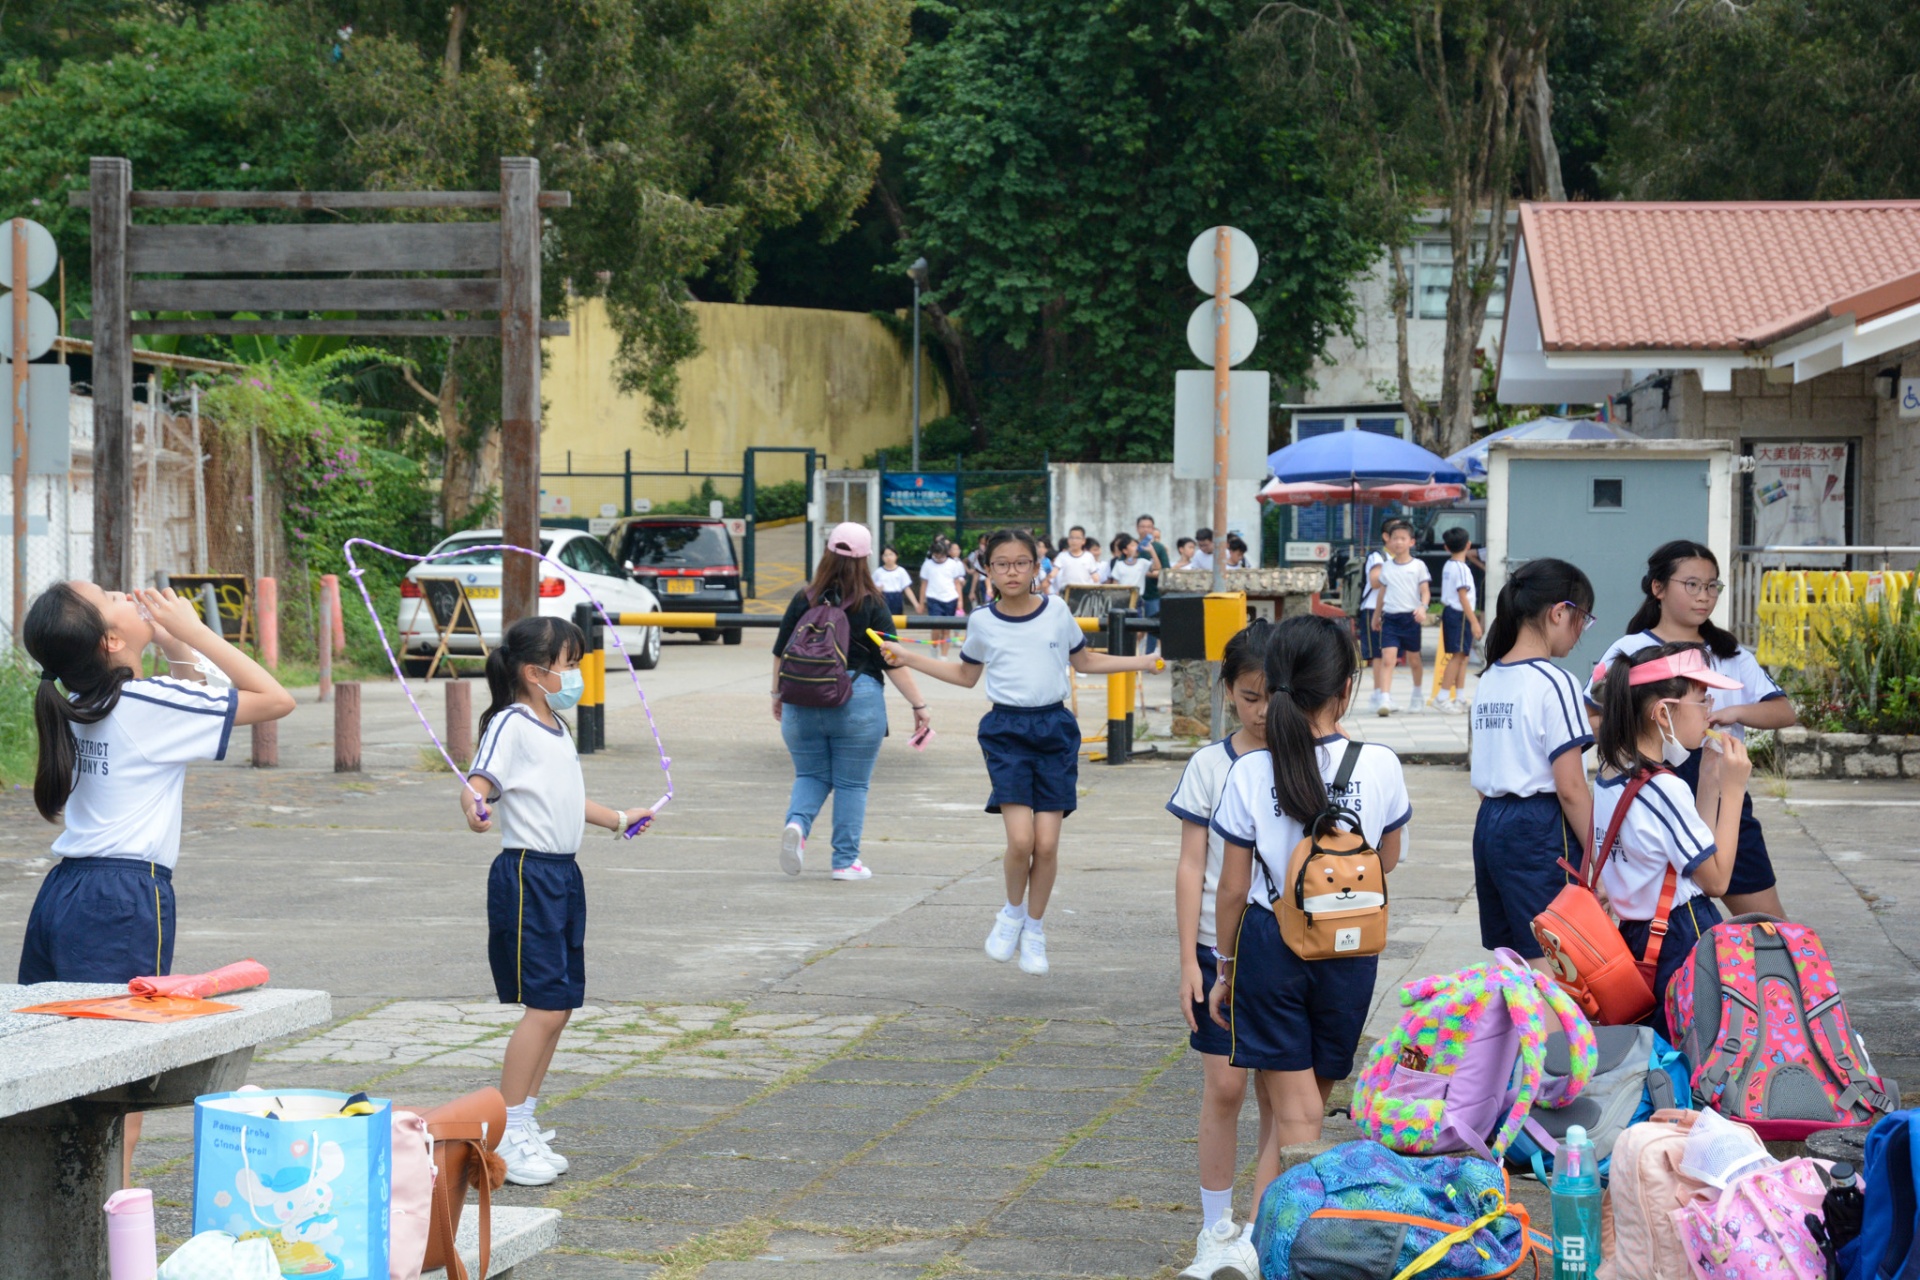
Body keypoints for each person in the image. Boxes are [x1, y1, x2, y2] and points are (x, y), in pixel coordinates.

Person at [21, 580, 294, 1183]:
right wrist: (195, 632)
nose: (123, 591)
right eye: (108, 596)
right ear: (110, 640)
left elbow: (189, 700)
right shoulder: (149, 704)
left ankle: (59, 1210)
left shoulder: (79, 698)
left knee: (54, 1067)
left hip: (64, 893)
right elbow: (275, 699)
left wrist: (172, 644)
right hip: (122, 899)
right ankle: (105, 1223)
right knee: (123, 1077)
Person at [880, 528, 1163, 976]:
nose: (1011, 572)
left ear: (1036, 566)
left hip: (1055, 730)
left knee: (1046, 844)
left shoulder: (1057, 611)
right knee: (1021, 840)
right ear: (987, 570)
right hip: (1006, 732)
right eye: (1001, 564)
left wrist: (1142, 662)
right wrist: (908, 657)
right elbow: (966, 675)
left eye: (1020, 563)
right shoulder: (982, 620)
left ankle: (1034, 929)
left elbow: (1085, 661)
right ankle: (1011, 914)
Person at [1208, 615, 1409, 1208]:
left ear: (1275, 685)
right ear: (1345, 687)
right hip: (1349, 945)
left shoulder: (1250, 770)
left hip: (1271, 945)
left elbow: (1231, 888)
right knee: (1304, 1116)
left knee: (1297, 1120)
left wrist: (1225, 965)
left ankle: (1266, 1240)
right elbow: (1386, 861)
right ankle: (1270, 1237)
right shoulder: (1380, 764)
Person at [463, 615, 655, 1185]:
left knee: (562, 1004)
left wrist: (619, 818)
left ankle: (522, 1121)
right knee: (544, 1005)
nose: (575, 675)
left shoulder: (556, 725)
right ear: (534, 672)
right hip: (528, 875)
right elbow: (479, 785)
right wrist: (474, 808)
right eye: (568, 664)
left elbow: (566, 798)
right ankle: (503, 1135)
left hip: (563, 874)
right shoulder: (512, 722)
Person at [1587, 540, 1795, 919]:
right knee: (1667, 914)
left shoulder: (1729, 652)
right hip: (1654, 781)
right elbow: (1595, 716)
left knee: (1768, 928)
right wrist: (1643, 746)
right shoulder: (1631, 649)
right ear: (1658, 587)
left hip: (1718, 785)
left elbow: (1784, 711)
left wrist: (1731, 712)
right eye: (1693, 585)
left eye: (1712, 586)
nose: (1704, 596)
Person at [1168, 620, 1275, 1280]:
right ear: (1228, 690)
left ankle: (1264, 1233)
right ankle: (1215, 1231)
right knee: (1226, 1087)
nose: (1261, 711)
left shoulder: (1305, 761)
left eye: (1274, 697)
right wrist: (1189, 959)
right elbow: (1191, 866)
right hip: (1217, 950)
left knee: (1280, 1095)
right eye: (1250, 697)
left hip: (1286, 950)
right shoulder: (1210, 765)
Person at [1592, 643, 1751, 1039]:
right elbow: (1716, 880)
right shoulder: (1662, 787)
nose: (1709, 711)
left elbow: (1686, 852)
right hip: (1681, 933)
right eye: (1702, 700)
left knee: (1659, 1047)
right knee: (1698, 1046)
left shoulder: (1613, 772)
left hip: (1639, 935)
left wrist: (1710, 779)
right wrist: (1734, 791)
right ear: (1663, 713)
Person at [773, 523, 931, 881]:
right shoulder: (872, 603)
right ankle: (845, 862)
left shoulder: (804, 598)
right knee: (851, 784)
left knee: (810, 774)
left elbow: (780, 653)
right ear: (866, 558)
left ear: (827, 553)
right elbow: (893, 661)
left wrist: (777, 695)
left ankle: (797, 825)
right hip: (857, 700)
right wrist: (919, 705)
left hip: (800, 698)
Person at [1467, 558, 1597, 974]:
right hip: (1540, 828)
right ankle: (1550, 1022)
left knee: (1514, 957)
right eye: (1583, 618)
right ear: (1559, 612)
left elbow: (1483, 774)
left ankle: (1522, 1020)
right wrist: (1599, 860)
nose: (1581, 631)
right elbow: (1571, 788)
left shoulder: (1490, 677)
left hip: (1491, 824)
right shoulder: (1555, 682)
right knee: (1552, 960)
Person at [1370, 519, 1429, 716]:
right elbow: (1382, 592)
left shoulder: (1418, 566)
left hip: (1411, 618)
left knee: (1414, 660)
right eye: (1395, 538)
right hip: (1391, 619)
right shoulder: (1386, 567)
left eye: (1403, 538)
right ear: (1389, 541)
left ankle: (1417, 695)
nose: (1398, 542)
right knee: (1388, 658)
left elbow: (1425, 591)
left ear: (1411, 542)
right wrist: (1376, 615)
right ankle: (1385, 699)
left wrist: (1423, 607)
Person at [1433, 527, 1483, 714]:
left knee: (1463, 656)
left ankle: (1460, 697)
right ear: (1468, 545)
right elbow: (1463, 597)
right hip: (1459, 614)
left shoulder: (1449, 565)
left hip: (1452, 612)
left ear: (1446, 547)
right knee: (1458, 656)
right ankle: (1442, 697)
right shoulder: (1461, 568)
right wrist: (1474, 621)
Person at [1357, 526, 1390, 713]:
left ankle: (1384, 693)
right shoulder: (1378, 557)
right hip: (1372, 608)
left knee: (1388, 654)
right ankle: (1378, 694)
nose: (1400, 541)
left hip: (1391, 608)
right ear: (1386, 536)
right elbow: (1376, 581)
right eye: (1396, 536)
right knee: (1378, 654)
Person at [919, 535, 967, 657]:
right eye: (936, 556)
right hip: (933, 598)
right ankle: (934, 647)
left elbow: (957, 583)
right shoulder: (928, 565)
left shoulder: (953, 564)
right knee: (936, 627)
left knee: (947, 629)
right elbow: (924, 584)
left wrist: (960, 601)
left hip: (950, 598)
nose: (939, 558)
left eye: (941, 556)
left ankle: (944, 656)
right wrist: (921, 602)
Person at [1137, 515, 1170, 655]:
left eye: (1148, 527)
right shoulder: (1132, 546)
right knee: (1133, 625)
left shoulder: (1158, 548)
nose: (1145, 529)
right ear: (1137, 528)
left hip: (1153, 594)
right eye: (1142, 526)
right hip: (1135, 594)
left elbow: (1164, 571)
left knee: (1152, 626)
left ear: (1152, 528)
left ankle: (1149, 655)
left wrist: (1143, 572)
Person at [1049, 526, 1101, 593]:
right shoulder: (1062, 556)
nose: (1074, 541)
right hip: (1067, 592)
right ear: (1068, 540)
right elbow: (1053, 573)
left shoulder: (1088, 556)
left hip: (1084, 592)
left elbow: (1095, 577)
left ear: (1083, 541)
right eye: (1071, 538)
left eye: (1077, 538)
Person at [873, 545, 918, 619]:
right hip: (882, 598)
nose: (888, 557)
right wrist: (877, 591)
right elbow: (871, 587)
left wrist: (916, 604)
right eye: (885, 555)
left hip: (896, 598)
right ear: (882, 557)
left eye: (891, 554)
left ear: (896, 556)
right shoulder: (878, 572)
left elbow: (907, 589)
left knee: (897, 620)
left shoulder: (901, 571)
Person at [1107, 534, 1151, 599]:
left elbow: (1157, 567)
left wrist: (1151, 550)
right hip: (1122, 596)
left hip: (1138, 596)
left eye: (1137, 545)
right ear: (1125, 551)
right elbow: (1115, 583)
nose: (1136, 547)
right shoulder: (1119, 564)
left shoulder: (1142, 562)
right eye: (1133, 545)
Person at [965, 534, 990, 611]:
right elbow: (965, 561)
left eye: (985, 544)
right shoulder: (975, 554)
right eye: (982, 543)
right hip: (981, 583)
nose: (984, 546)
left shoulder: (994, 554)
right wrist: (968, 570)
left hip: (993, 583)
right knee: (984, 605)